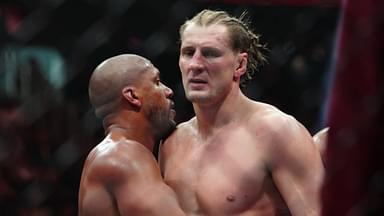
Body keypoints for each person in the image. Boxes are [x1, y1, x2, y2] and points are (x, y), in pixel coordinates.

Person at [159, 9, 325, 216]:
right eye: (188, 52)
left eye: (210, 53)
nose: (195, 65)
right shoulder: (170, 143)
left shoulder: (276, 131)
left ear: (240, 64)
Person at [78, 54, 185, 216]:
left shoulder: (106, 153)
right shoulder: (125, 155)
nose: (168, 91)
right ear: (133, 96)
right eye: (156, 82)